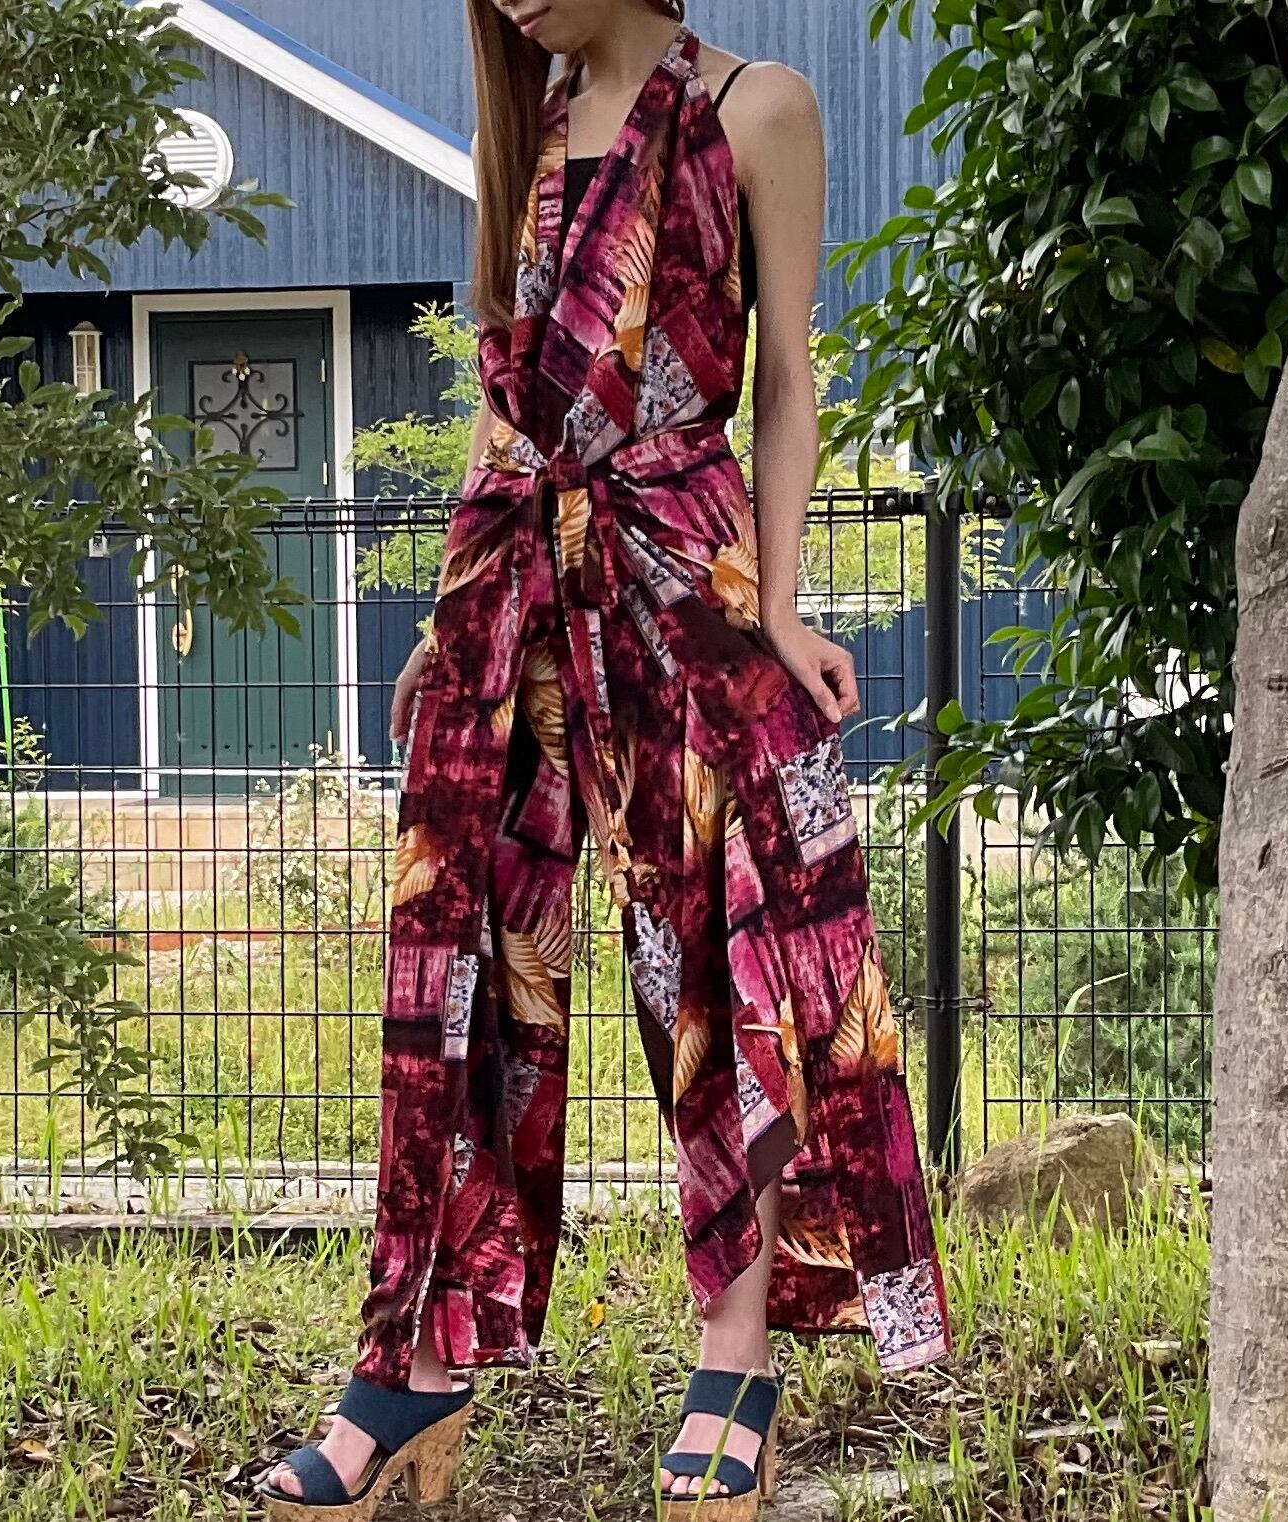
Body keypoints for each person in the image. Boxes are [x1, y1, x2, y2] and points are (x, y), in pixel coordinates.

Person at [259, 1, 950, 1517]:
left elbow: (785, 380)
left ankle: (735, 1349)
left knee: (715, 952)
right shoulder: (537, 122)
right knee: (458, 959)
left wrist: (782, 609)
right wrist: (450, 620)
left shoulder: (758, 109)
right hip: (517, 581)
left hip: (683, 576)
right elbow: (506, 404)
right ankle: (416, 1360)